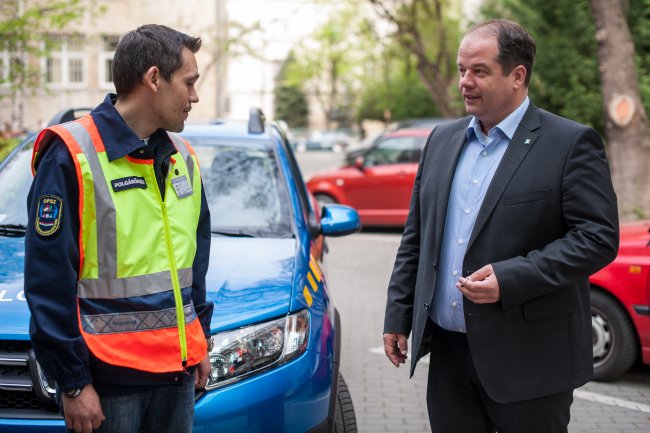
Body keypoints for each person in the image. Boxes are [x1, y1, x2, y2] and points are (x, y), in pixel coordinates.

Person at [383, 19, 619, 433]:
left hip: (530, 359)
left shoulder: (569, 143)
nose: (464, 82)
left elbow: (597, 238)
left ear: (518, 76)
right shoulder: (440, 140)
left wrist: (511, 279)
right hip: (450, 357)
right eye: (461, 70)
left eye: (479, 71)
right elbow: (417, 238)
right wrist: (398, 315)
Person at [24, 24, 213, 433]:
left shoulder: (183, 158)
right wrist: (73, 383)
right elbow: (48, 281)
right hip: (108, 384)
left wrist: (200, 340)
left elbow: (194, 267)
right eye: (189, 82)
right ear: (154, 79)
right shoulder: (70, 154)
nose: (195, 96)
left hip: (178, 374)